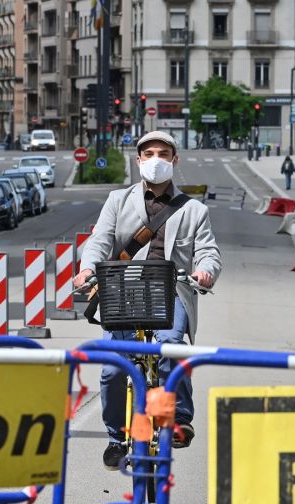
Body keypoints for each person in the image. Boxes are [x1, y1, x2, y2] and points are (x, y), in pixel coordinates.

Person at [72, 130, 222, 471]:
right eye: (150, 153)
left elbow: (208, 251)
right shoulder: (118, 199)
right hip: (122, 290)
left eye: (164, 154)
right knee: (113, 370)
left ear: (174, 160)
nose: (156, 159)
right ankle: (116, 437)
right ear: (139, 160)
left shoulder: (194, 209)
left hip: (171, 290)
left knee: (170, 347)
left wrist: (205, 271)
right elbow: (99, 240)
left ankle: (179, 418)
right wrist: (86, 269)